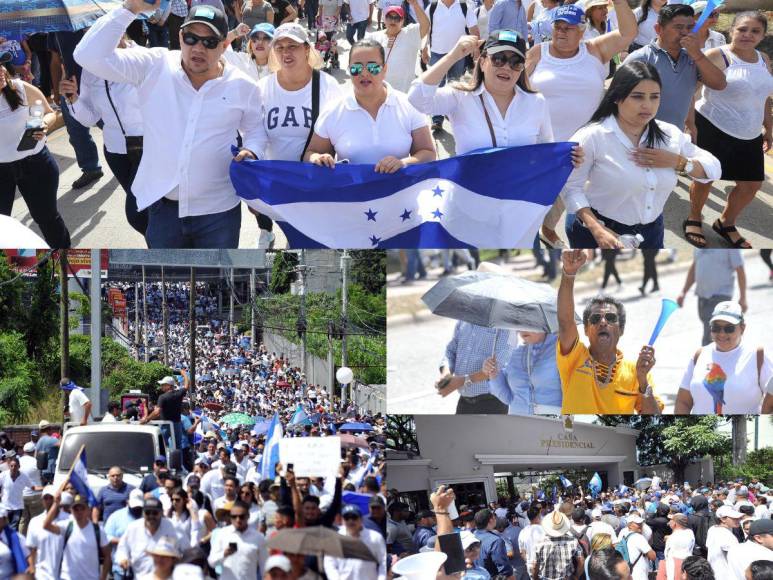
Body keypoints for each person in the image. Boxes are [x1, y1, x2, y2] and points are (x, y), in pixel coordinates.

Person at [73, 1, 268, 248]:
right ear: (180, 36)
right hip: (164, 208)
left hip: (219, 212)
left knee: (216, 282)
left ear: (223, 45)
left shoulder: (243, 86)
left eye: (209, 42)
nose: (198, 47)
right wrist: (130, 9)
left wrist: (252, 151)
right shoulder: (155, 65)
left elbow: (256, 130)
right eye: (191, 38)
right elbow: (87, 55)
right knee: (166, 279)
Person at [563, 62, 721, 249]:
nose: (648, 105)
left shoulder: (669, 134)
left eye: (655, 97)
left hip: (651, 232)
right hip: (598, 230)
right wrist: (596, 228)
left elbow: (714, 169)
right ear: (616, 97)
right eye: (637, 97)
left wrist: (678, 162)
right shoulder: (593, 136)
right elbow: (570, 186)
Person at [526, 1, 636, 249]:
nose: (562, 32)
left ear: (582, 30)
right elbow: (517, 91)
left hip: (582, 147)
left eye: (569, 27)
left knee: (566, 199)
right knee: (535, 201)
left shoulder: (595, 50)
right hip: (541, 145)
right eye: (558, 26)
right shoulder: (537, 53)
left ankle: (548, 229)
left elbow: (628, 33)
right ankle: (529, 239)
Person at [409, 31, 579, 162]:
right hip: (469, 198)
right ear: (482, 62)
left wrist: (569, 157)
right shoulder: (460, 97)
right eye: (498, 59)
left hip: (516, 200)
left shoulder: (536, 102)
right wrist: (453, 56)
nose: (506, 67)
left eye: (515, 63)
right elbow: (416, 100)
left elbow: (545, 149)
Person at [687, 11, 773, 250]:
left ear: (763, 35)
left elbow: (764, 95)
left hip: (749, 132)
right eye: (742, 29)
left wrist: (769, 125)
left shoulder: (763, 58)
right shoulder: (717, 55)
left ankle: (725, 223)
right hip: (713, 125)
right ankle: (694, 217)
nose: (748, 35)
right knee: (706, 178)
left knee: (751, 184)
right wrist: (690, 122)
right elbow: (691, 91)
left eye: (755, 31)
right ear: (731, 30)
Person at [254, 23, 344, 248]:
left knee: (304, 251)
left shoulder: (327, 85)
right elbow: (254, 133)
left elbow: (340, 133)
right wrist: (252, 182)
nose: (286, 52)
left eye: (292, 46)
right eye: (280, 47)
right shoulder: (263, 87)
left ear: (307, 49)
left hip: (312, 186)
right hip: (276, 186)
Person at [304, 39, 436, 171]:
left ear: (384, 69)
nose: (364, 73)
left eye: (373, 67)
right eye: (357, 68)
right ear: (349, 70)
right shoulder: (332, 111)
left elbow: (428, 153)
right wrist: (318, 159)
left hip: (400, 190)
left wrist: (404, 163)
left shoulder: (409, 105)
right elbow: (310, 154)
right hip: (351, 191)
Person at [557, 250, 662, 414]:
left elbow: (654, 417)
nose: (603, 322)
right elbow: (565, 323)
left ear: (621, 330)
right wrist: (569, 273)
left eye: (611, 318)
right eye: (595, 318)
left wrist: (642, 381)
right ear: (585, 329)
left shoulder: (637, 371)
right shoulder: (574, 357)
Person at [0, 57, 71, 248]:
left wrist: (43, 125)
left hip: (36, 163)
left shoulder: (20, 87)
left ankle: (65, 264)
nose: (0, 71)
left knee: (47, 218)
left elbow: (49, 112)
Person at [624, 4, 727, 131]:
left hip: (675, 137)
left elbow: (719, 84)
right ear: (658, 29)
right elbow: (619, 101)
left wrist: (691, 124)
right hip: (641, 136)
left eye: (690, 27)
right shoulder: (641, 59)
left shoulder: (693, 58)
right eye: (678, 27)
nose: (685, 32)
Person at [675, 301, 772, 414]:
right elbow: (683, 401)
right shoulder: (700, 354)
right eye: (716, 328)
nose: (721, 334)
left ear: (742, 328)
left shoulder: (757, 356)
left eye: (729, 328)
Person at [434, 320, 514, 414]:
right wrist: (446, 374)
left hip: (492, 404)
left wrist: (460, 382)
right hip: (464, 403)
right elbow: (451, 351)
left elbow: (498, 367)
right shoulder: (463, 320)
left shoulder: (506, 326)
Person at [423, 0, 480, 131]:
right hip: (437, 53)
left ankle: (452, 113)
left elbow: (474, 29)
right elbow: (426, 29)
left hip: (459, 54)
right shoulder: (433, 7)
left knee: (454, 86)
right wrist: (424, 48)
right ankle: (437, 119)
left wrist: (476, 49)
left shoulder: (464, 6)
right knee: (437, 86)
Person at [676, 250, 747, 346]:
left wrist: (743, 298)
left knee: (711, 335)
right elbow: (694, 267)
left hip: (720, 296)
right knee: (711, 330)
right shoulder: (698, 241)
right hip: (702, 296)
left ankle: (705, 358)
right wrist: (683, 292)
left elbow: (740, 269)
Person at [487, 330, 563, 415]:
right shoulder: (516, 353)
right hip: (517, 421)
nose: (522, 330)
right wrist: (493, 374)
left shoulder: (562, 350)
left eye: (529, 323)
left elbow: (573, 396)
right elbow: (507, 398)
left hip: (550, 423)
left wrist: (568, 425)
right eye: (520, 324)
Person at [43, 492, 112, 580]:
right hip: (68, 577)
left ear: (88, 510)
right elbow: (46, 525)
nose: (79, 512)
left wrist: (103, 577)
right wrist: (56, 504)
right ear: (71, 510)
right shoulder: (67, 526)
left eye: (82, 508)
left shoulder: (98, 530)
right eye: (76, 509)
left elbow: (107, 555)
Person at [369, 2, 430, 93]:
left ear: (402, 21)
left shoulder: (410, 33)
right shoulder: (373, 37)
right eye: (389, 17)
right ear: (384, 19)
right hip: (381, 91)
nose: (393, 21)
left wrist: (415, 4)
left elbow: (425, 25)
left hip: (404, 92)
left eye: (397, 18)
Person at [116, 497, 185, 577]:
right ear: (142, 513)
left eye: (155, 513)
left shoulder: (174, 527)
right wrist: (123, 559)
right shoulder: (133, 528)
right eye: (147, 512)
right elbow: (122, 548)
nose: (151, 516)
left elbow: (187, 551)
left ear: (161, 513)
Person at [208, 500, 268, 579]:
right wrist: (224, 554)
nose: (238, 520)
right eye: (234, 516)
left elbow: (265, 568)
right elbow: (211, 562)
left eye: (241, 516)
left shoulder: (258, 538)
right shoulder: (222, 534)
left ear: (248, 516)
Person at [324, 504, 386, 579]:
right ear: (342, 520)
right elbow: (329, 564)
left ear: (361, 519)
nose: (350, 521)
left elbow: (383, 562)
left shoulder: (375, 538)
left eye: (354, 517)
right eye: (347, 518)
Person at [142, 371, 193, 454]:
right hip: (177, 424)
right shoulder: (178, 394)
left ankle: (161, 463)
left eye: (163, 384)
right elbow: (187, 386)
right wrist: (184, 374)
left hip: (165, 424)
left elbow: (157, 412)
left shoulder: (162, 397)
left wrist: (146, 419)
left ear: (169, 386)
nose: (161, 386)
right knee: (177, 448)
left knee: (160, 445)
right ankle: (177, 465)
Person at [26, 486, 68, 580]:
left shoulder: (69, 519)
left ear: (57, 499)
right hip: (42, 574)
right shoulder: (35, 521)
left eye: (51, 498)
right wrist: (32, 567)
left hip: (65, 575)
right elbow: (32, 548)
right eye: (46, 498)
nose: (48, 501)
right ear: (42, 500)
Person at [532, 509, 584, 580]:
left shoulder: (539, 542)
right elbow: (581, 561)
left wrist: (535, 578)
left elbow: (535, 566)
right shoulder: (573, 541)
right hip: (566, 577)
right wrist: (576, 576)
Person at [0, 455, 41, 531]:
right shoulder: (3, 475)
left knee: (13, 528)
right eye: (11, 466)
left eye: (15, 466)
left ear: (19, 466)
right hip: (5, 507)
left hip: (17, 507)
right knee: (4, 528)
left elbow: (33, 487)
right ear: (9, 466)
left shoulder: (24, 476)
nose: (13, 468)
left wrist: (46, 488)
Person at [473, 508, 514, 579]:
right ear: (491, 520)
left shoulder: (473, 535)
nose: (496, 519)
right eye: (494, 517)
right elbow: (504, 569)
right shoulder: (495, 541)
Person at [706, 505, 743, 579]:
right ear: (723, 519)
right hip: (726, 575)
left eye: (739, 518)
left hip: (714, 572)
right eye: (734, 518)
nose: (738, 520)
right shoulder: (726, 535)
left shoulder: (713, 528)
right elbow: (736, 556)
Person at [618, 513, 656, 580]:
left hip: (629, 573)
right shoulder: (638, 537)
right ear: (629, 525)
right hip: (639, 575)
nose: (640, 525)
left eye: (641, 523)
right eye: (637, 524)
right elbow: (653, 556)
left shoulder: (624, 534)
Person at [659, 514, 695, 580]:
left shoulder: (672, 537)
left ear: (675, 523)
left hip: (674, 564)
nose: (669, 522)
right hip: (688, 561)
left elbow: (667, 554)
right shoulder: (690, 532)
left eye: (671, 520)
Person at [18, 442, 43, 536]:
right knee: (36, 519)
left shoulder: (18, 461)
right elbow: (40, 475)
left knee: (23, 520)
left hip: (22, 495)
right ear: (34, 451)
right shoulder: (36, 461)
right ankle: (36, 540)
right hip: (35, 495)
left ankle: (21, 539)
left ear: (24, 451)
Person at [34, 421, 58, 486]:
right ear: (48, 429)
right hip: (51, 472)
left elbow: (35, 456)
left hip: (42, 473)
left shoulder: (39, 442)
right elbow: (64, 445)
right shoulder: (52, 440)